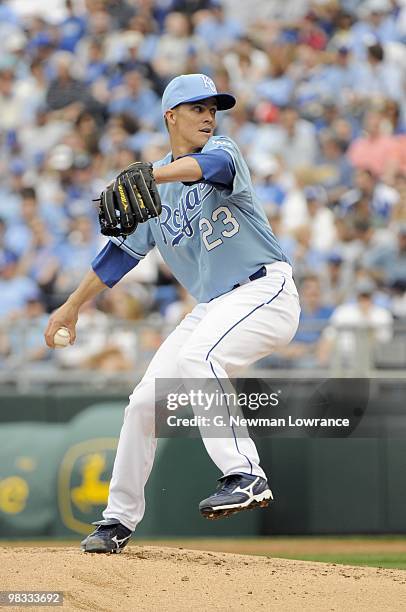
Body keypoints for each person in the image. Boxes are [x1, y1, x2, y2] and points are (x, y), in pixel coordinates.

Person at [44, 73, 300, 553]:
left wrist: (146, 175)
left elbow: (207, 168)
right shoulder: (156, 186)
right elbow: (118, 256)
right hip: (214, 307)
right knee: (144, 404)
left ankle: (245, 474)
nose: (208, 116)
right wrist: (71, 307)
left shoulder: (224, 152)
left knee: (200, 358)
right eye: (197, 108)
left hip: (265, 291)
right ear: (171, 116)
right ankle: (117, 522)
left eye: (212, 108)